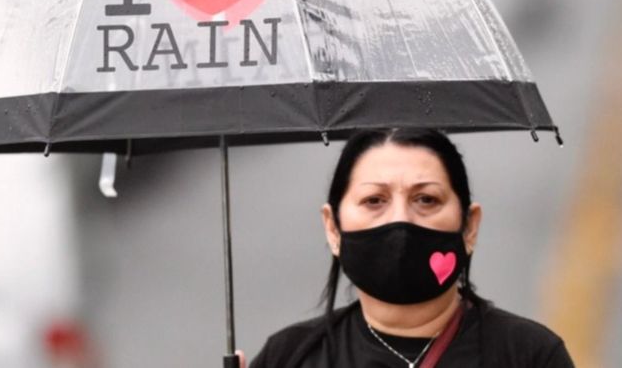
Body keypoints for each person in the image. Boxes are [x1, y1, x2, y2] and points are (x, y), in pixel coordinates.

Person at [243, 127, 576, 368]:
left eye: (426, 199)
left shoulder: (530, 355)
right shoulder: (288, 357)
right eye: (374, 200)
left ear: (469, 225)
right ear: (333, 227)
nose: (400, 221)